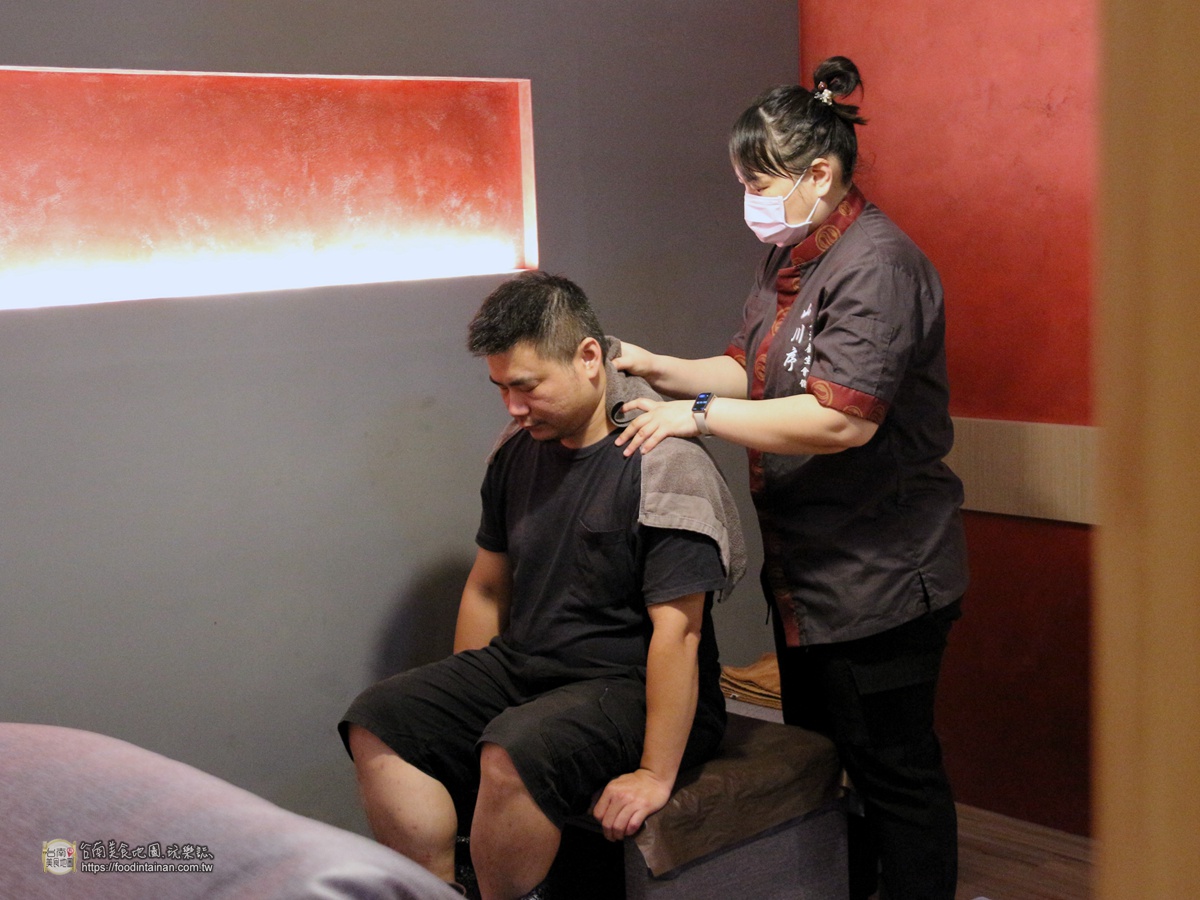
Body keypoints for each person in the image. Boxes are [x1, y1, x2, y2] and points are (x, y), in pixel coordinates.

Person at [612, 56, 969, 900]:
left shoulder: (877, 265)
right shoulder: (794, 258)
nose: (749, 201)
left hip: (881, 578)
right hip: (811, 580)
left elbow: (841, 419)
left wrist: (697, 416)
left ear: (820, 174)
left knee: (895, 775)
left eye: (759, 184)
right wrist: (656, 366)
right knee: (824, 762)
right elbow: (750, 371)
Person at [339, 271, 744, 900]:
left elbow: (679, 634)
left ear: (589, 358)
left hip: (631, 683)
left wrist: (653, 773)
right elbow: (486, 589)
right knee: (380, 719)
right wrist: (468, 703)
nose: (512, 407)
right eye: (501, 388)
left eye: (527, 387)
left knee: (515, 748)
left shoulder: (665, 465)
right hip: (530, 664)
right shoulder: (516, 452)